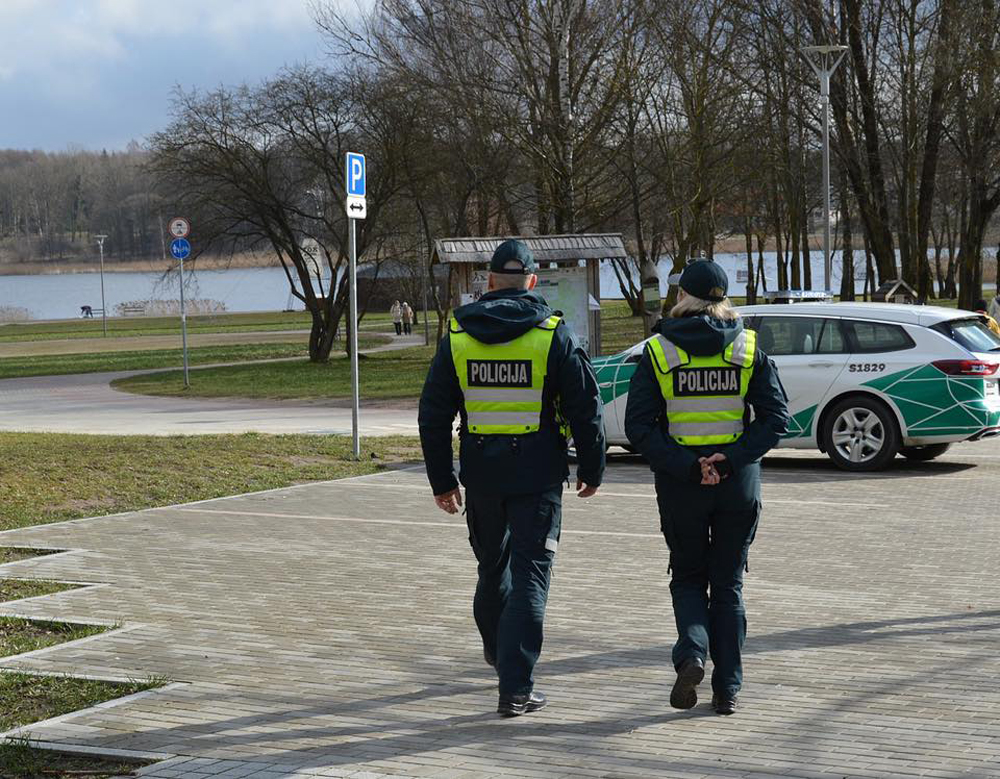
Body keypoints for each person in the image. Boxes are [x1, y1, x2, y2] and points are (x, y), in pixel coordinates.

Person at [419, 239, 606, 717]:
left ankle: (498, 651)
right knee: (531, 578)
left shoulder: (458, 335)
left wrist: (443, 480)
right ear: (531, 282)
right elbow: (586, 408)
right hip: (538, 475)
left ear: (487, 283)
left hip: (482, 476)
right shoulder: (550, 335)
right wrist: (592, 467)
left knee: (491, 570)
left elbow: (433, 415)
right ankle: (516, 686)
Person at [624, 260, 789, 716]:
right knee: (729, 585)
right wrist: (731, 459)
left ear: (684, 296)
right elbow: (777, 419)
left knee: (689, 577)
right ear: (722, 298)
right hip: (737, 484)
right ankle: (727, 690)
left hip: (683, 486)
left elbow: (638, 427)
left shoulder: (659, 351)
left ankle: (693, 654)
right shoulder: (748, 346)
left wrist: (689, 465)